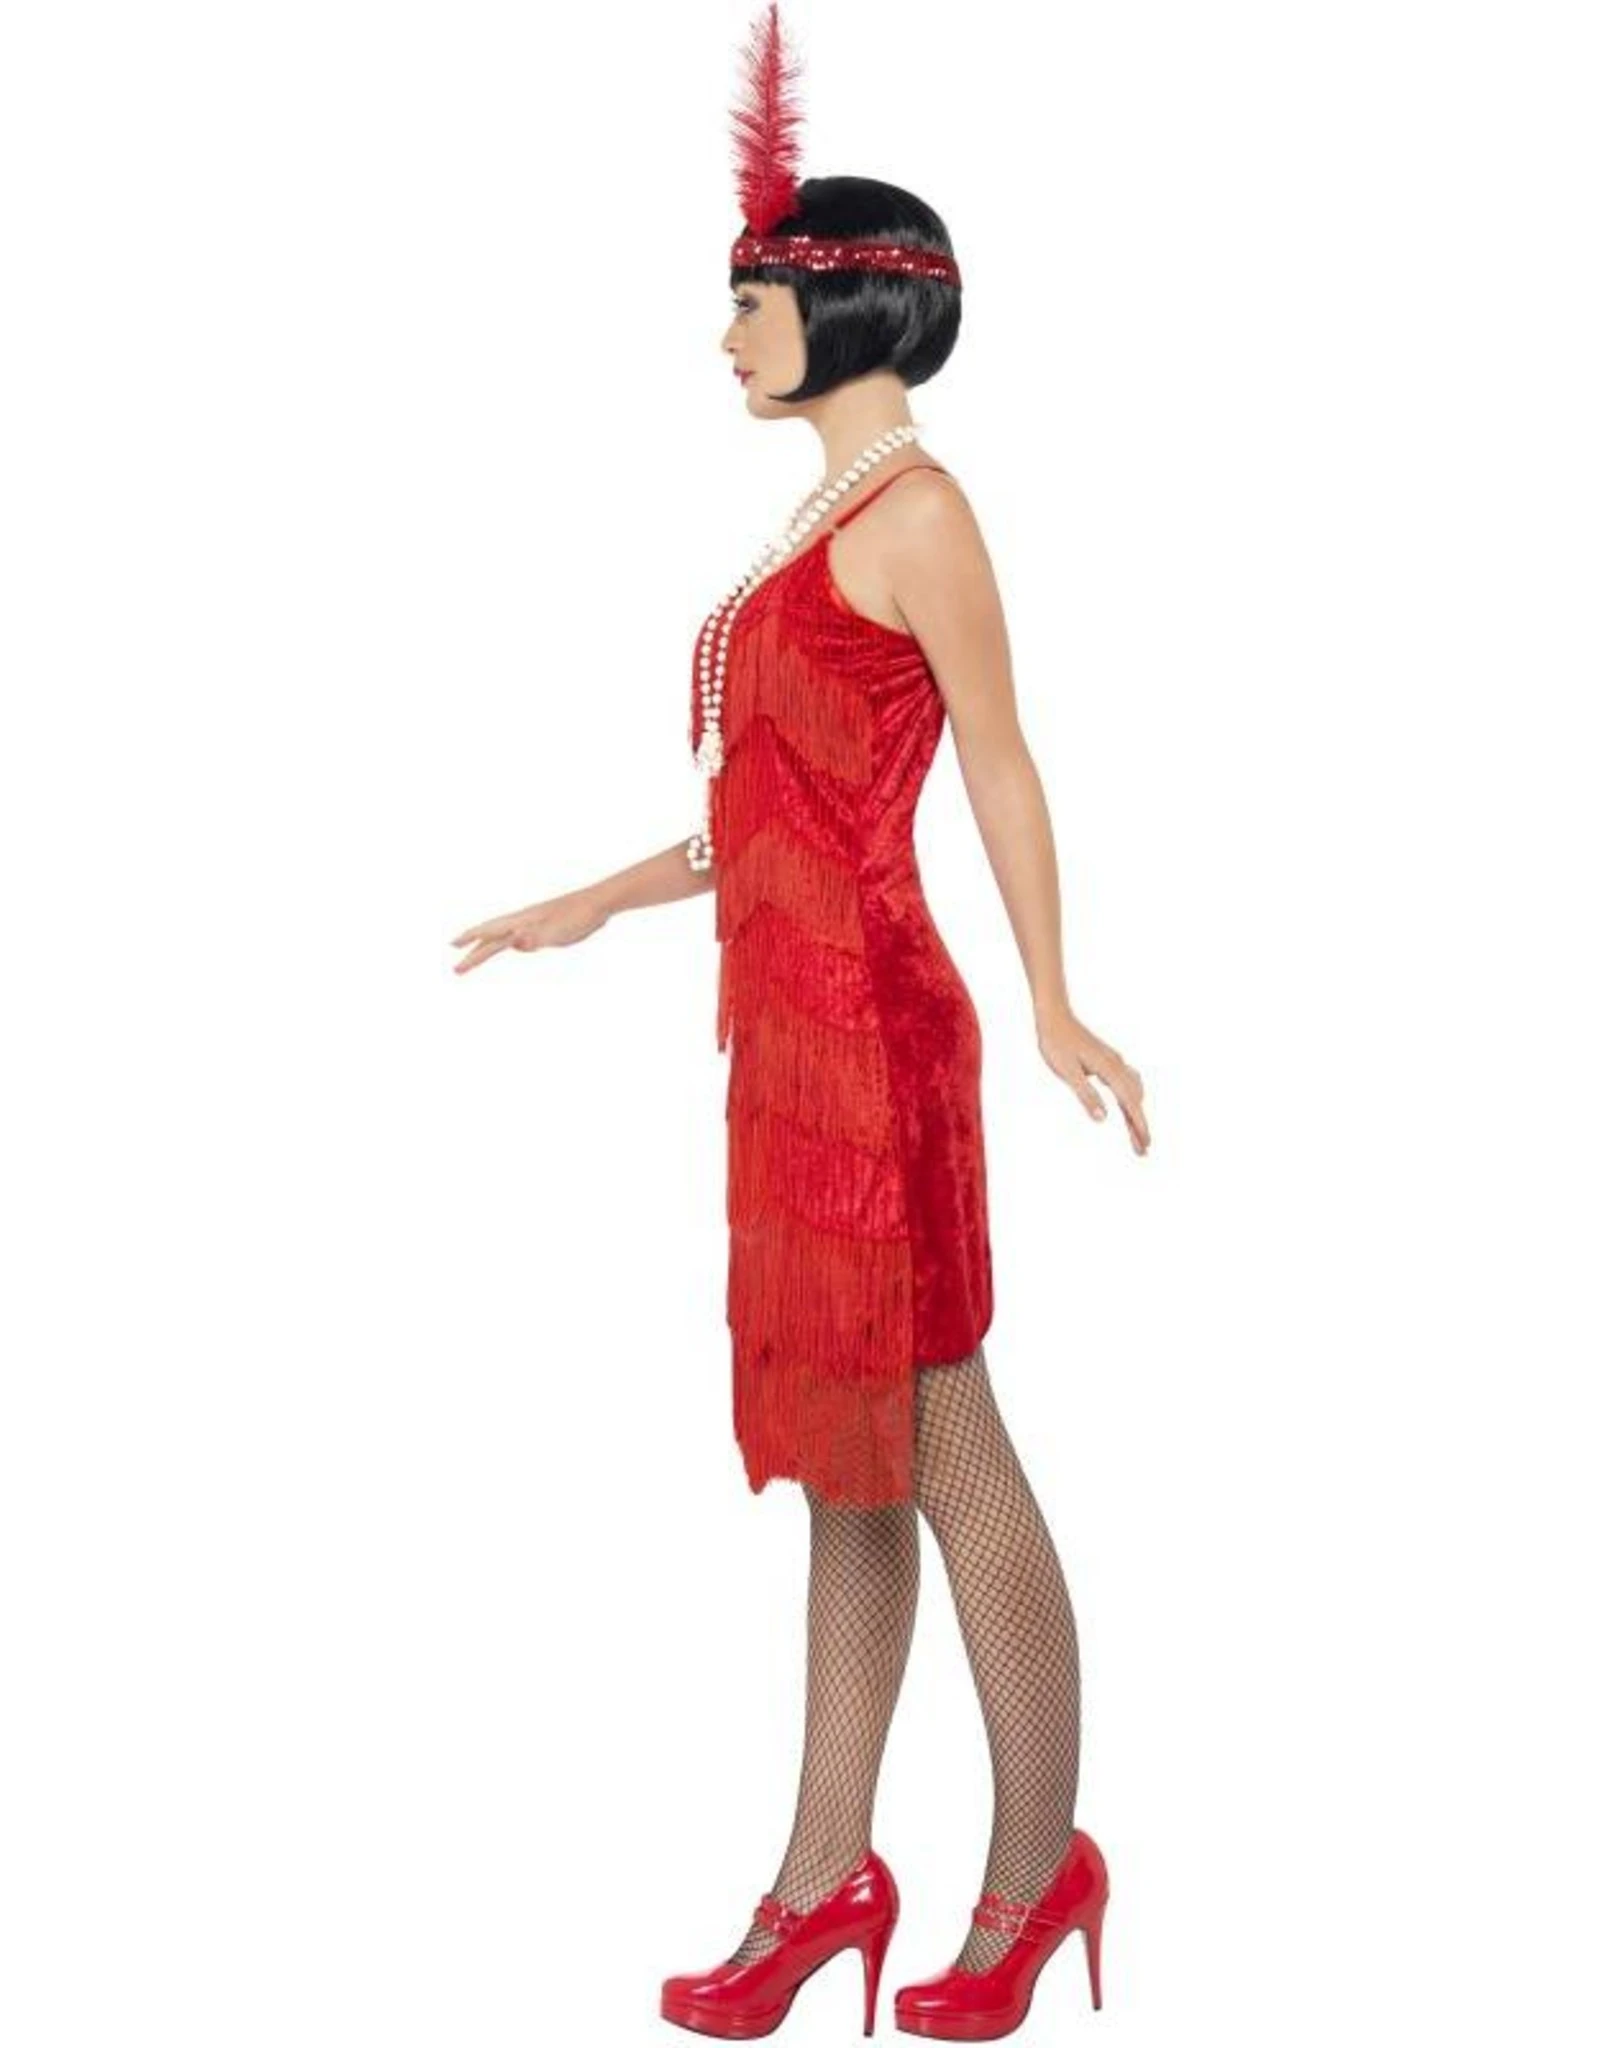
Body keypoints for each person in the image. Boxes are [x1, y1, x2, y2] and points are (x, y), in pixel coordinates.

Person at [450, 8, 1149, 2038]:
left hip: (881, 1046)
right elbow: (767, 812)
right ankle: (821, 1875)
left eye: (749, 301)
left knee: (945, 1454)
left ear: (844, 304)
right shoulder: (810, 534)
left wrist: (1056, 999)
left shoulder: (918, 515)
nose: (726, 334)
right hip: (789, 1054)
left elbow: (997, 764)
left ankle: (1036, 1870)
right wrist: (596, 897)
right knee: (848, 1473)